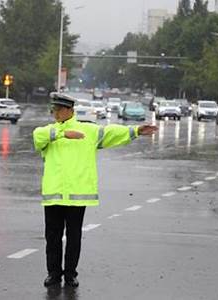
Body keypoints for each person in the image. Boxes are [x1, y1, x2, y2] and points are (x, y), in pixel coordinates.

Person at [33, 93, 158, 288]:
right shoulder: (49, 132)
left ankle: (70, 274)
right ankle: (53, 274)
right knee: (53, 237)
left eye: (58, 109)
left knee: (74, 238)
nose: (55, 113)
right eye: (53, 110)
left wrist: (135, 131)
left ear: (70, 110)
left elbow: (111, 133)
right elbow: (36, 137)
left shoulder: (88, 131)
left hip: (77, 195)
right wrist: (63, 134)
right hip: (54, 195)